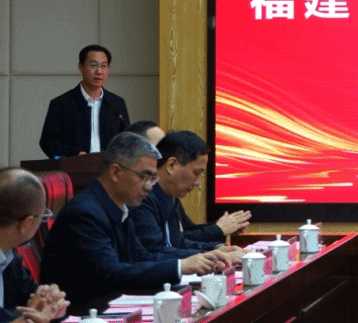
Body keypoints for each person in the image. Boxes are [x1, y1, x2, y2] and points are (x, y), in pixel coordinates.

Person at [40, 133, 224, 306]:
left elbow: (141, 257)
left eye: (153, 178)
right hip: (81, 311)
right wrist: (180, 266)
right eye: (145, 176)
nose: (149, 186)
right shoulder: (85, 212)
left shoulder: (119, 206)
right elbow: (111, 273)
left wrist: (199, 259)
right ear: (115, 172)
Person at [131, 131, 244, 264]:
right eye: (196, 173)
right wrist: (212, 256)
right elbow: (155, 252)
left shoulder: (170, 197)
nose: (198, 183)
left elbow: (178, 243)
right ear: (171, 165)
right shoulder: (142, 198)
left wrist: (216, 248)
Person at [0, 168, 69, 323]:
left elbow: (33, 297)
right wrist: (32, 316)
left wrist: (52, 302)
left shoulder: (9, 259)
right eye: (43, 216)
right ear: (26, 224)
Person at [39, 45, 129, 160]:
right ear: (80, 67)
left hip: (110, 168)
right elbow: (49, 142)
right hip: (75, 167)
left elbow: (127, 140)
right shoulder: (61, 104)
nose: (99, 71)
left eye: (103, 66)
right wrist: (76, 154)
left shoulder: (116, 103)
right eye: (93, 65)